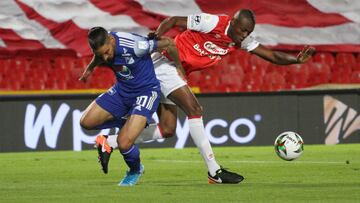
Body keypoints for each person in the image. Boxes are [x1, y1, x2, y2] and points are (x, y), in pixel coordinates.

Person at [97, 9, 315, 184]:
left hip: (175, 71)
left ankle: (110, 142)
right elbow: (174, 20)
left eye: (248, 32)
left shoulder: (241, 41)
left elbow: (271, 55)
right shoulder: (214, 22)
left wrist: (296, 60)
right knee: (195, 110)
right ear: (234, 23)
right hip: (165, 63)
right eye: (243, 30)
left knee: (168, 129)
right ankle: (214, 171)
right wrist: (158, 34)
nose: (245, 35)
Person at [79, 26, 183, 186]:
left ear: (111, 40)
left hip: (146, 92)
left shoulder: (134, 44)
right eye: (102, 54)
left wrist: (179, 67)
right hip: (121, 91)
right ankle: (130, 123)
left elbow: (168, 43)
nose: (106, 58)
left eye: (107, 51)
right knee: (86, 122)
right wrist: (90, 69)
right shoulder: (104, 49)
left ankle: (135, 170)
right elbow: (98, 56)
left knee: (124, 143)